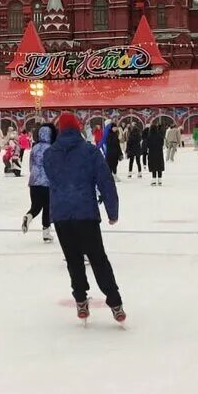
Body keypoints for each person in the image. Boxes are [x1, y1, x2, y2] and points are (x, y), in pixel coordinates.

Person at [42, 112, 125, 324]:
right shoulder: (90, 152)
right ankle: (115, 302)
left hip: (61, 215)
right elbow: (106, 181)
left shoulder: (50, 154)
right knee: (98, 258)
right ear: (78, 127)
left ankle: (80, 300)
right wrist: (112, 212)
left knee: (74, 260)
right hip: (85, 213)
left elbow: (52, 178)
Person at [22, 124, 55, 241]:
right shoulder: (51, 148)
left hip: (34, 181)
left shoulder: (34, 148)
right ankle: (46, 232)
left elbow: (31, 164)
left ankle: (28, 216)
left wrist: (33, 176)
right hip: (46, 182)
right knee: (47, 207)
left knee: (35, 206)